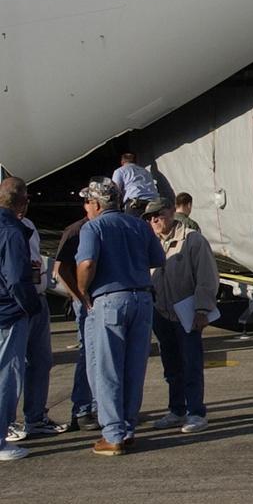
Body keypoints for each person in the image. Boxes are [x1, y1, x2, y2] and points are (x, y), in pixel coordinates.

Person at [75, 177, 166, 456]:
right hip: (141, 297)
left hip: (110, 299)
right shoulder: (138, 224)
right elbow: (158, 259)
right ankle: (127, 430)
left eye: (87, 202)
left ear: (97, 203)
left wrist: (82, 290)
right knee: (133, 367)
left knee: (107, 368)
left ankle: (112, 434)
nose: (85, 207)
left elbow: (87, 263)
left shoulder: (94, 227)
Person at [144, 197, 219, 434]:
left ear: (170, 212)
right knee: (171, 365)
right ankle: (176, 410)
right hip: (160, 311)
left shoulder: (193, 240)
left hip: (186, 313)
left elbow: (207, 276)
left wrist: (202, 309)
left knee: (191, 363)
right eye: (150, 217)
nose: (154, 220)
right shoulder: (149, 242)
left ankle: (196, 411)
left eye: (158, 215)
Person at [5, 196, 69, 443]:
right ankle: (6, 421)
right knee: (11, 367)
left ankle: (35, 417)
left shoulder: (29, 226)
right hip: (18, 302)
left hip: (38, 298)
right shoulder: (7, 229)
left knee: (41, 361)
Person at [0, 177, 42, 462]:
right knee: (7, 375)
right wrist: (30, 306)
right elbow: (15, 279)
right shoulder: (13, 231)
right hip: (9, 313)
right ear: (22, 201)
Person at [53, 213, 98, 431]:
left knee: (100, 355)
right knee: (88, 354)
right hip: (86, 300)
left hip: (98, 299)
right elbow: (60, 269)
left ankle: (99, 406)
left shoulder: (103, 226)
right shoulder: (76, 231)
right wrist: (79, 296)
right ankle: (82, 409)